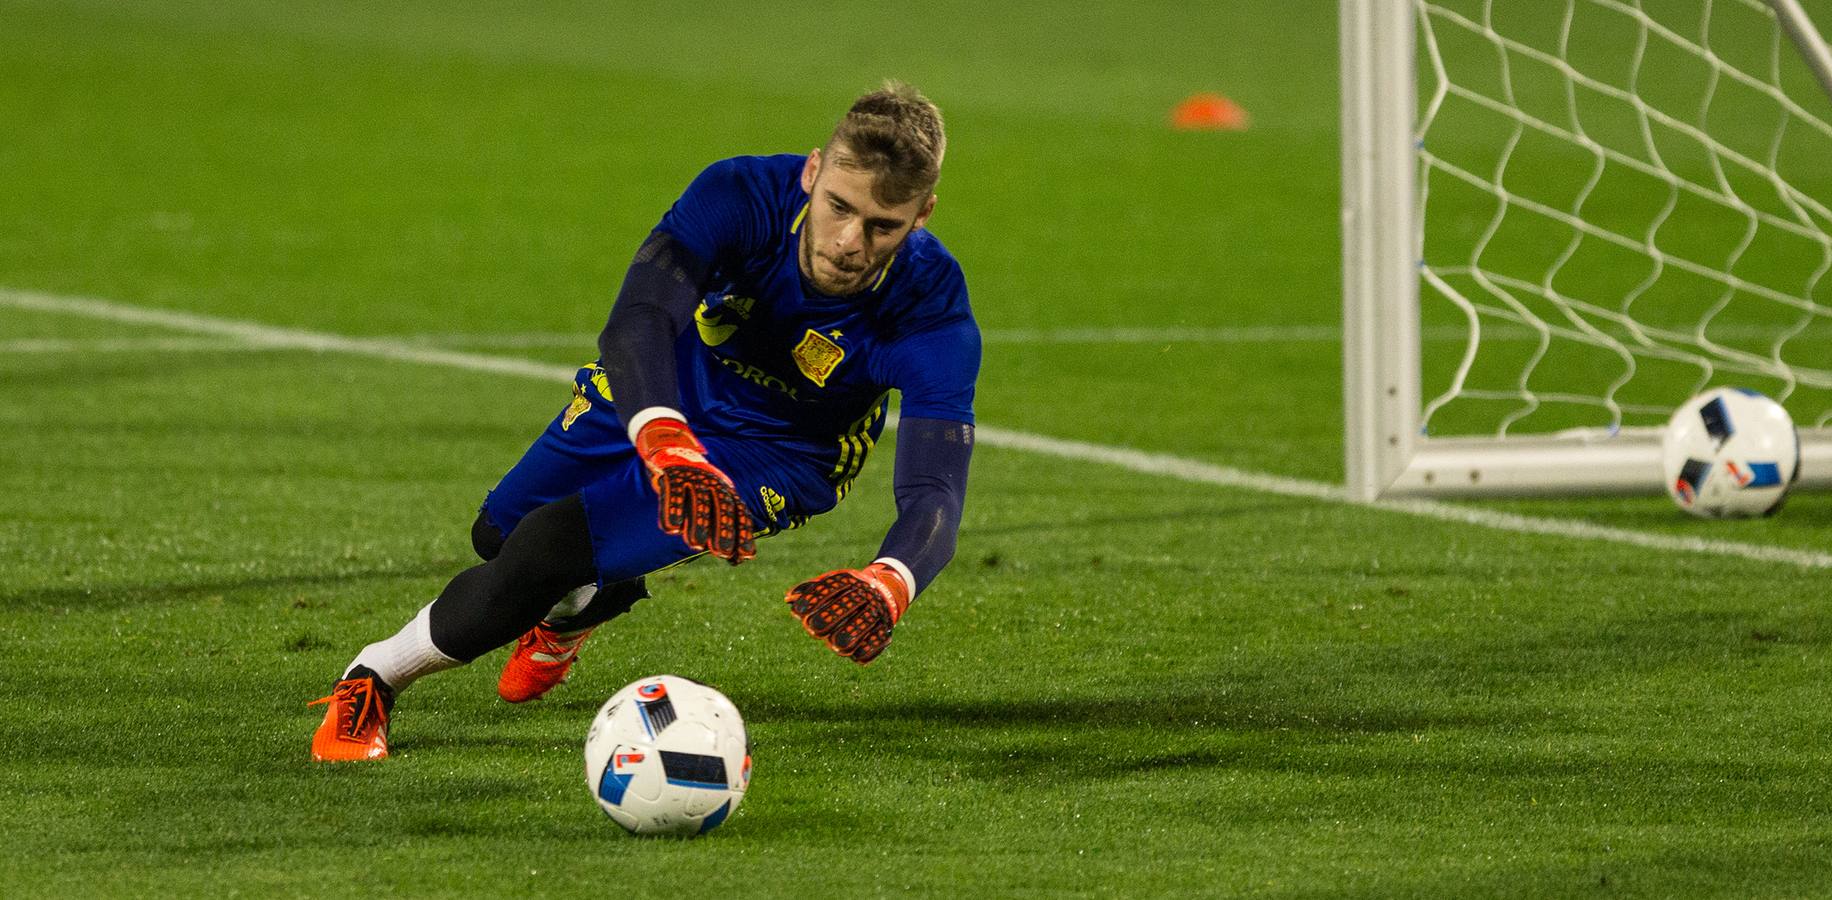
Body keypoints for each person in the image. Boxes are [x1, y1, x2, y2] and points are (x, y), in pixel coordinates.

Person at [310, 81, 979, 762]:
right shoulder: (739, 196)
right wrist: (665, 442)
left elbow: (936, 489)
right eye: (838, 206)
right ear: (813, 171)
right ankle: (587, 605)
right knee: (498, 535)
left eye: (882, 226)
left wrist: (891, 579)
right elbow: (640, 318)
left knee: (545, 549)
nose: (848, 241)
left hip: (780, 455)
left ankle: (372, 678)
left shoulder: (931, 310)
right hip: (667, 384)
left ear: (922, 215)